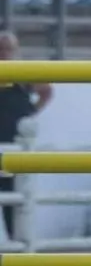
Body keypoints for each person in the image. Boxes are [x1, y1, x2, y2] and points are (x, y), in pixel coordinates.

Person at [0, 31, 53, 241]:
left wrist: (30, 114)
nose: (4, 53)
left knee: (15, 202)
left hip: (15, 148)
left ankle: (19, 252)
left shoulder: (23, 74)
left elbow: (47, 91)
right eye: (1, 49)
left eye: (8, 49)